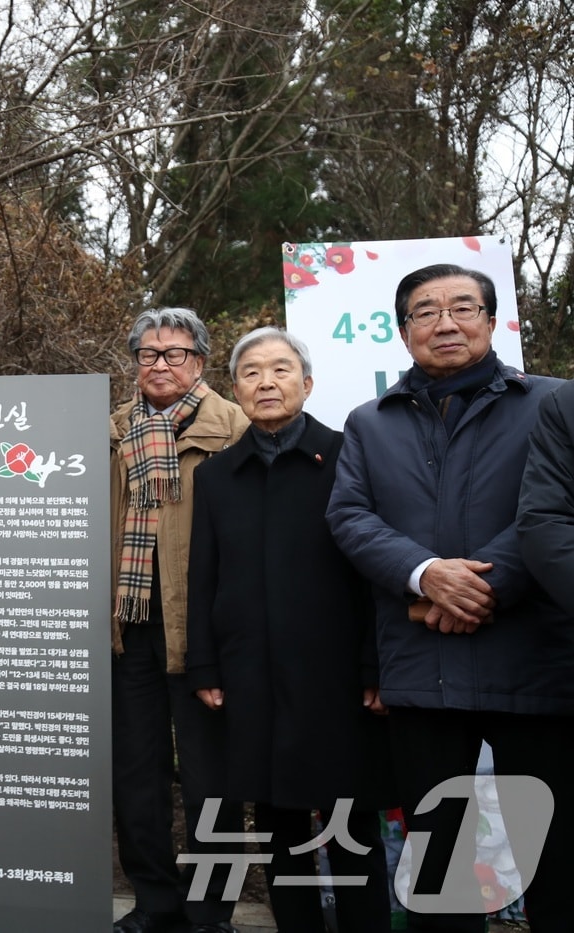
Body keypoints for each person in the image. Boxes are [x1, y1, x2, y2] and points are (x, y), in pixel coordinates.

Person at [327, 263, 573, 932]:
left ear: (493, 322)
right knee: (441, 864)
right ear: (403, 330)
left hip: (533, 665)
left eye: (463, 307)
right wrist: (425, 572)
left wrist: (481, 588)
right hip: (422, 669)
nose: (446, 322)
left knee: (556, 853)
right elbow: (349, 515)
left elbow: (553, 514)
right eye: (426, 311)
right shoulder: (369, 422)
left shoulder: (553, 403)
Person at [187, 327, 392, 932]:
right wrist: (206, 664)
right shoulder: (219, 474)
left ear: (307, 382)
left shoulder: (348, 457)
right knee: (279, 826)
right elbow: (205, 575)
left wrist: (374, 666)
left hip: (336, 679)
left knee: (351, 824)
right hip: (252, 677)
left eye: (280, 369)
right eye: (251, 372)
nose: (266, 382)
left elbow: (373, 573)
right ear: (235, 389)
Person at [110, 308, 248, 933]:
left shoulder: (237, 429)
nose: (160, 365)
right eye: (148, 354)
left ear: (200, 361)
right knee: (135, 772)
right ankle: (154, 900)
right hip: (127, 623)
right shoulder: (109, 431)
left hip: (205, 629)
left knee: (209, 779)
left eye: (176, 354)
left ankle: (211, 910)